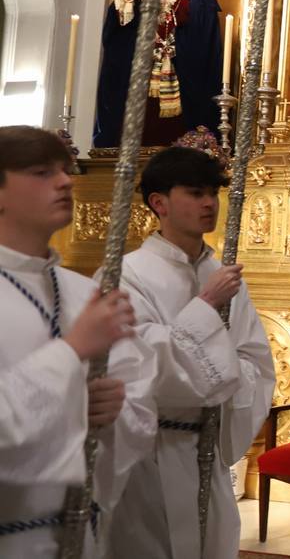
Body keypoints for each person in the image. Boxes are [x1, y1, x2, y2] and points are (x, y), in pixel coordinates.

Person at [100, 146, 275, 559]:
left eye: (213, 192)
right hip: (150, 455)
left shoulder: (224, 275)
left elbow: (254, 361)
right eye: (195, 193)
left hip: (205, 453)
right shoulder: (127, 274)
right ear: (159, 203)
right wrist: (204, 307)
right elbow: (137, 366)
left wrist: (221, 383)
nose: (210, 203)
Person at [0, 125, 157, 558]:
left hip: (78, 532)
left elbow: (138, 407)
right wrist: (71, 355)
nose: (66, 181)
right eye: (41, 172)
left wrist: (112, 411)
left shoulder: (84, 294)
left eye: (65, 170)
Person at [94, 0, 223, 147]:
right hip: (143, 74)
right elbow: (116, 37)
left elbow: (204, 15)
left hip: (179, 69)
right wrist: (121, 8)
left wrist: (176, 6)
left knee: (178, 126)